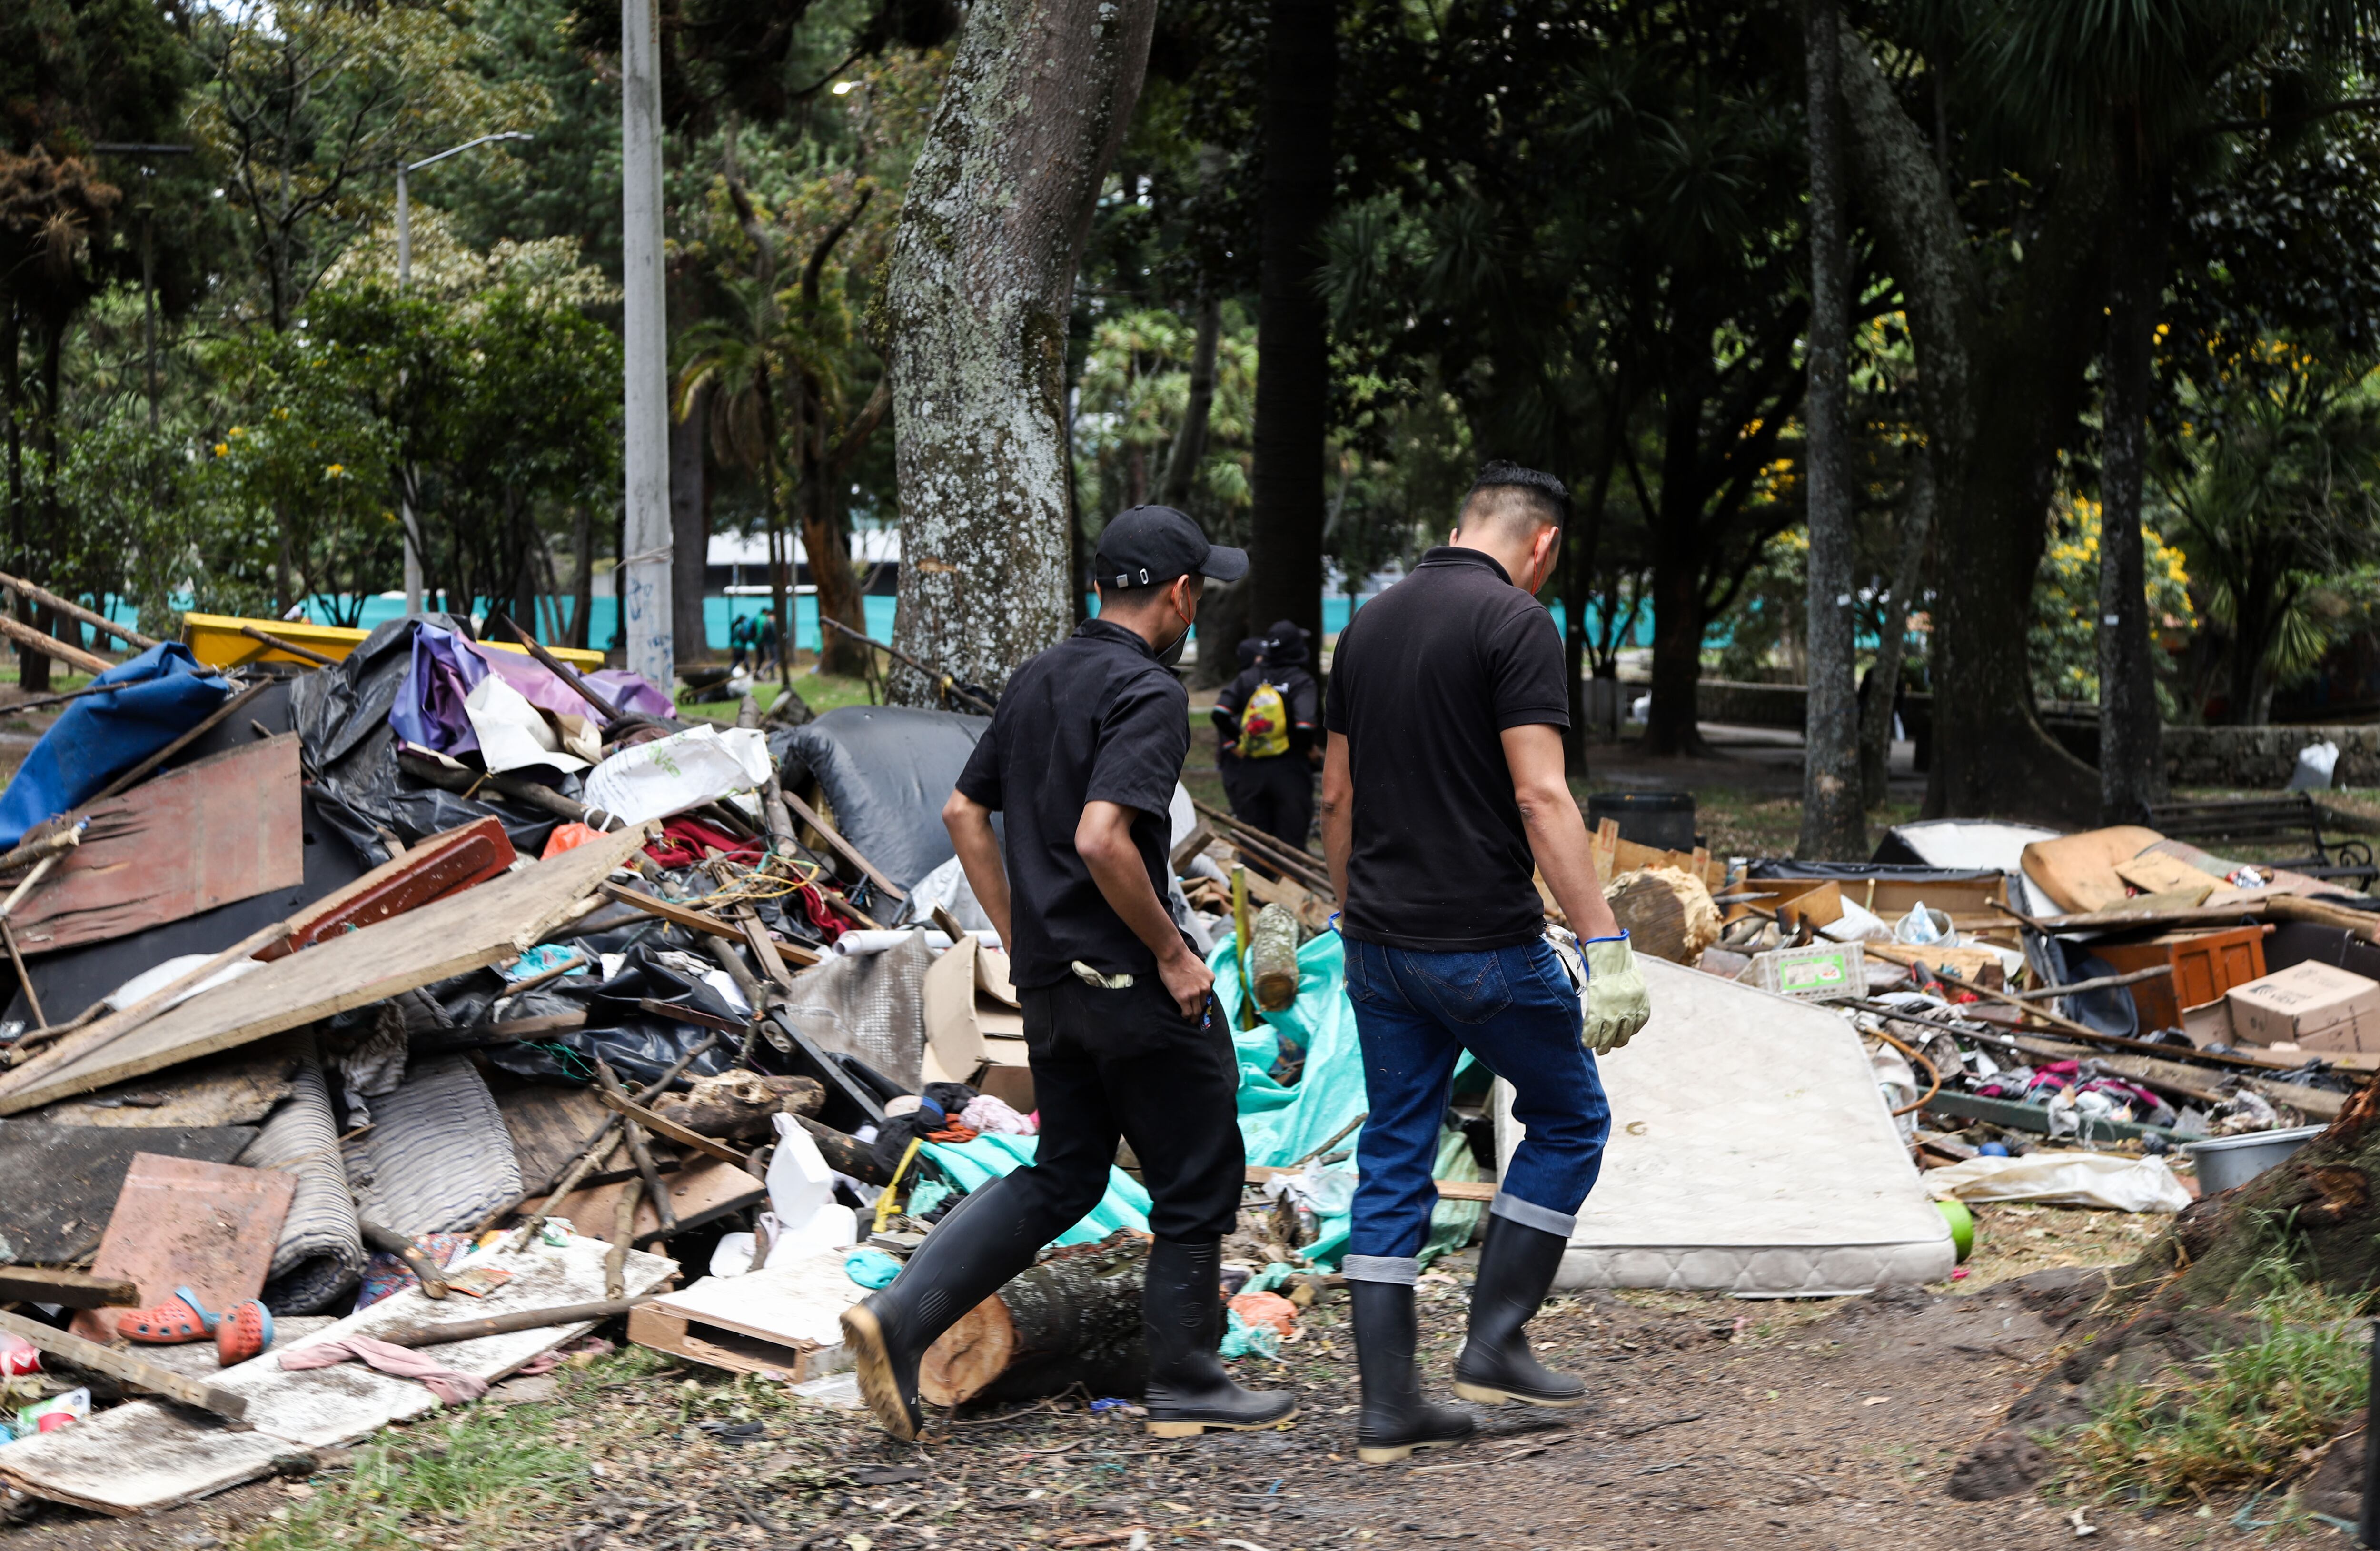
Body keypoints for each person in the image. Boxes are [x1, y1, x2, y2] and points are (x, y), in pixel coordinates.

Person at [841, 504, 1295, 1443]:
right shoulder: (1148, 691)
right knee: (1195, 1170)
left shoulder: (1039, 676)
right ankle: (1187, 1381)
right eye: (1198, 592)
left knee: (1066, 1173)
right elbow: (1102, 837)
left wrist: (1023, 938)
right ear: (1181, 594)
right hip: (1130, 982)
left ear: (1099, 587)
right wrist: (1172, 953)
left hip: (1052, 986)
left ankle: (899, 1318)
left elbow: (965, 813)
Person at [1319, 460, 1652, 1465]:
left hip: (1379, 946)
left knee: (1394, 1152)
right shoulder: (1516, 623)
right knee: (1571, 1116)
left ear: (1464, 522)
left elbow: (1335, 795)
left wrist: (1351, 915)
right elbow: (1541, 797)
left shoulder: (1367, 626)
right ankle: (1495, 1340)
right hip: (1482, 945)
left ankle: (1389, 1408)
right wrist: (1604, 942)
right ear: (1541, 542)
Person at [1214, 619, 1321, 854]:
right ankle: (1287, 879)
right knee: (1291, 847)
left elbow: (1220, 713)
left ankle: (1252, 879)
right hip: (1291, 772)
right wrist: (1307, 750)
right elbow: (1305, 726)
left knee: (1253, 845)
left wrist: (1241, 740)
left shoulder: (1248, 678)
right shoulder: (1301, 681)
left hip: (1250, 771)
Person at [728, 611, 758, 675]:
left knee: (742, 661)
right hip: (740, 647)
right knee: (739, 661)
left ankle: (749, 672)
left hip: (738, 647)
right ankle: (749, 673)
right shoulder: (740, 627)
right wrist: (749, 637)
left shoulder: (737, 626)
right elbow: (743, 637)